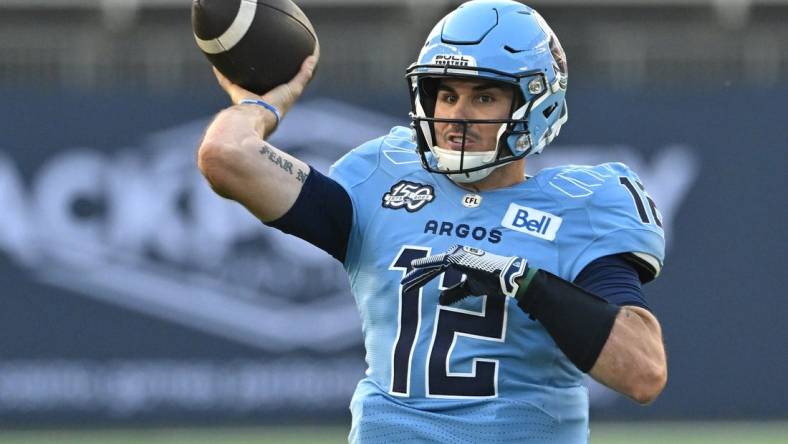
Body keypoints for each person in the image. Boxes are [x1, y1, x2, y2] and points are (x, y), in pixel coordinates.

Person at [197, 1, 667, 442]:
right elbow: (225, 156)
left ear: (536, 103)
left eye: (483, 97)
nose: (456, 115)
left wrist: (527, 283)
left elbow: (643, 372)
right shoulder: (382, 180)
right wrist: (259, 104)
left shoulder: (577, 206)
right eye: (445, 94)